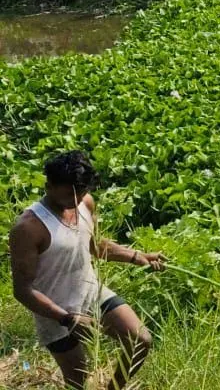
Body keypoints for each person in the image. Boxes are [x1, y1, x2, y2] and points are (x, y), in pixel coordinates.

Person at [9, 151, 165, 390]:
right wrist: (67, 318)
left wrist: (138, 256)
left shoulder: (85, 202)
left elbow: (95, 245)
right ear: (49, 185)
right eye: (70, 193)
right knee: (78, 380)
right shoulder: (29, 228)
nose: (76, 198)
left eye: (80, 192)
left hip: (91, 292)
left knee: (140, 340)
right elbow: (22, 290)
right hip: (55, 312)